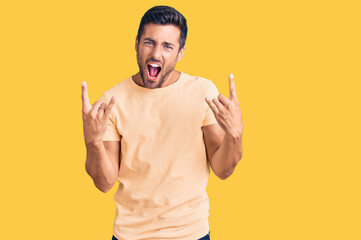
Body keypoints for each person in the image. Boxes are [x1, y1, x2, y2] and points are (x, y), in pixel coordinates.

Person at [81, 5, 243, 240]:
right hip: (130, 235)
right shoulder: (112, 101)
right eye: (150, 42)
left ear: (180, 53)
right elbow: (104, 183)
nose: (157, 53)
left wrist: (235, 135)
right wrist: (93, 142)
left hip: (190, 233)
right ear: (136, 43)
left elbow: (223, 169)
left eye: (168, 46)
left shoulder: (203, 92)